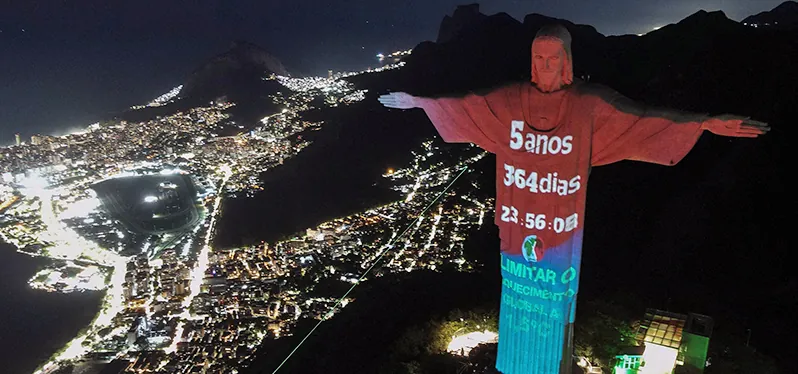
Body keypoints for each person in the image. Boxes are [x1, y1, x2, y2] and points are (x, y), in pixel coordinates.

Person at [378, 24, 768, 374]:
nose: (545, 65)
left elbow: (642, 118)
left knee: (555, 311)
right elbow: (468, 104)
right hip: (518, 230)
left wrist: (703, 123)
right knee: (516, 301)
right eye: (539, 58)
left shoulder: (587, 103)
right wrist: (420, 102)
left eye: (553, 58)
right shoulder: (511, 99)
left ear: (566, 61)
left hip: (559, 237)